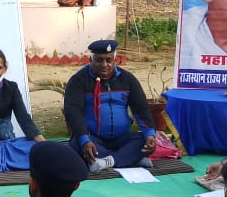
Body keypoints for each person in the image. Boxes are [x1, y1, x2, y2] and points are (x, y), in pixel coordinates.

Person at [63, 39, 157, 172]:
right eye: (99, 60)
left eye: (109, 60)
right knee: (77, 145)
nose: (104, 65)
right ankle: (130, 158)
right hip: (94, 138)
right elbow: (73, 113)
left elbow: (141, 109)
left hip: (122, 138)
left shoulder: (127, 79)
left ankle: (108, 161)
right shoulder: (78, 80)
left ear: (115, 60)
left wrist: (150, 134)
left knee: (145, 141)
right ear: (91, 60)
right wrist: (84, 140)